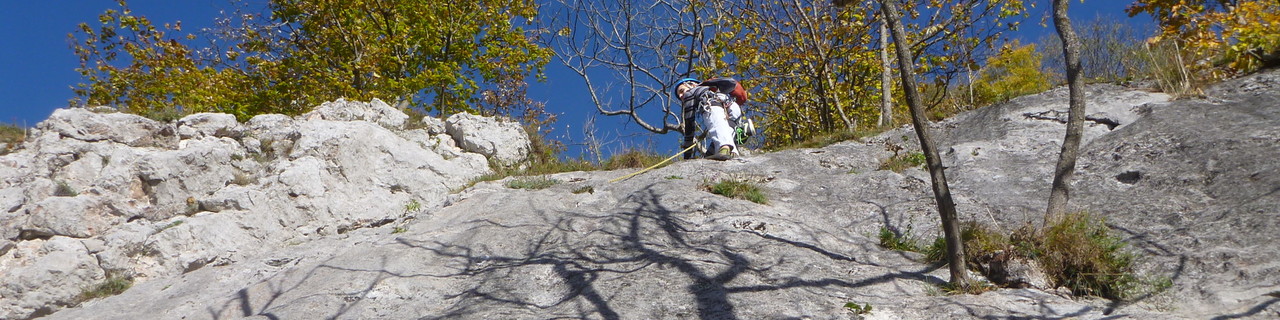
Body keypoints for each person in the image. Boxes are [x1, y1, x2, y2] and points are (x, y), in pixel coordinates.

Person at [674, 77, 748, 160]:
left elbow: (689, 122)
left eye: (681, 91)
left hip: (712, 106)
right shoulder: (712, 89)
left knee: (717, 127)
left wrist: (687, 155)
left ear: (691, 85)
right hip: (732, 107)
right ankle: (733, 153)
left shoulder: (690, 93)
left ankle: (724, 149)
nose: (681, 96)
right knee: (726, 131)